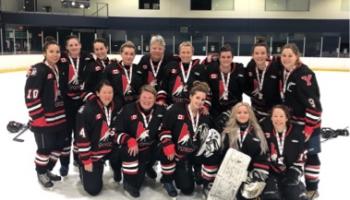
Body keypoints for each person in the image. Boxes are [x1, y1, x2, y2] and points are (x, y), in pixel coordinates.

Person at [159, 81, 221, 198]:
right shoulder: (176, 110)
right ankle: (168, 179)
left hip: (197, 154)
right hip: (181, 155)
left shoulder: (205, 115)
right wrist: (168, 144)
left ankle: (205, 179)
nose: (200, 102)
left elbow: (212, 133)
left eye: (203, 99)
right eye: (197, 98)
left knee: (213, 151)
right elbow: (163, 129)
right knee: (187, 189)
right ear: (190, 97)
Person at [279, 43, 322, 199]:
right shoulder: (287, 71)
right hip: (295, 123)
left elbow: (315, 106)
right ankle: (294, 184)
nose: (286, 58)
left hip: (308, 123)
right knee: (296, 154)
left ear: (297, 56)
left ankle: (312, 188)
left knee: (311, 154)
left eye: (290, 55)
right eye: (284, 55)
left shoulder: (304, 75)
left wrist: (310, 126)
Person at [24, 39, 66, 188]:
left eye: (57, 51)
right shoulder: (39, 70)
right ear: (44, 53)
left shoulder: (57, 67)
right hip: (44, 119)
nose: (55, 54)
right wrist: (38, 117)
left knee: (59, 145)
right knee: (44, 148)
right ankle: (41, 171)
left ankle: (47, 169)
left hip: (59, 117)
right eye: (51, 51)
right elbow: (31, 95)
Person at [114, 85, 167, 198]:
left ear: (155, 99)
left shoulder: (161, 110)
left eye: (150, 98)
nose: (147, 101)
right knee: (137, 183)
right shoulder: (127, 109)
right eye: (144, 97)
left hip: (150, 148)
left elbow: (164, 129)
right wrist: (129, 139)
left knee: (165, 146)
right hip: (133, 150)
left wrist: (167, 143)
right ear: (139, 97)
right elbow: (116, 132)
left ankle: (148, 166)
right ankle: (128, 182)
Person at [75, 80, 120, 196]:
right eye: (104, 92)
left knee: (126, 151)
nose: (107, 95)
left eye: (110, 92)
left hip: (109, 147)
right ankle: (84, 167)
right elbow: (81, 138)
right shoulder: (86, 110)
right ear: (97, 93)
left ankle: (116, 168)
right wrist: (86, 160)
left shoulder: (116, 106)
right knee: (93, 190)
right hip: (92, 153)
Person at [57, 35, 92, 176]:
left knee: (80, 133)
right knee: (66, 135)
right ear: (66, 48)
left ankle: (78, 159)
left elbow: (98, 70)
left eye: (75, 44)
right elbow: (48, 66)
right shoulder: (61, 59)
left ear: (80, 45)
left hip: (82, 102)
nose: (73, 47)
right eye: (70, 45)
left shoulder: (88, 58)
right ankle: (64, 163)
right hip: (66, 103)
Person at [221, 102, 270, 200]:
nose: (242, 115)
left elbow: (262, 156)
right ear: (234, 114)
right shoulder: (227, 132)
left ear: (250, 115)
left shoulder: (258, 132)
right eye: (239, 112)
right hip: (231, 172)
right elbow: (222, 155)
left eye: (245, 112)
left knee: (245, 196)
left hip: (250, 173)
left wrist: (254, 175)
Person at [260, 105, 308, 200]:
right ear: (271, 118)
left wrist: (295, 171)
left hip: (290, 171)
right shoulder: (264, 130)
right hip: (271, 172)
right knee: (271, 195)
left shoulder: (297, 133)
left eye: (281, 116)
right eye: (275, 116)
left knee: (294, 193)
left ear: (286, 118)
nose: (278, 119)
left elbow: (302, 154)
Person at [205, 44, 245, 130]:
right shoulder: (211, 69)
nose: (226, 59)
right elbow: (206, 88)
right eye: (223, 57)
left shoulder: (239, 69)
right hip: (215, 111)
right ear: (219, 58)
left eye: (228, 57)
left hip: (233, 111)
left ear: (232, 58)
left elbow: (246, 87)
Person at [157, 41, 208, 108]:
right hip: (172, 106)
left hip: (192, 108)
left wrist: (205, 106)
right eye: (183, 52)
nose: (185, 55)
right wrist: (161, 100)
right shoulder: (171, 66)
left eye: (188, 52)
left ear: (192, 53)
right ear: (179, 54)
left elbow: (205, 89)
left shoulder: (199, 68)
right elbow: (164, 86)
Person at [244, 42, 282, 121]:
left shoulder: (276, 66)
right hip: (256, 111)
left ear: (267, 54)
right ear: (252, 55)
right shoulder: (251, 66)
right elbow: (246, 84)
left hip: (274, 113)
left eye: (262, 53)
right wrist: (253, 94)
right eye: (256, 53)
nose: (259, 56)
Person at [105, 41, 146, 111]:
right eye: (126, 53)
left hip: (135, 107)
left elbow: (144, 88)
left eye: (131, 54)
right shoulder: (111, 68)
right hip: (116, 106)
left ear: (134, 55)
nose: (129, 57)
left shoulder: (139, 70)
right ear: (121, 54)